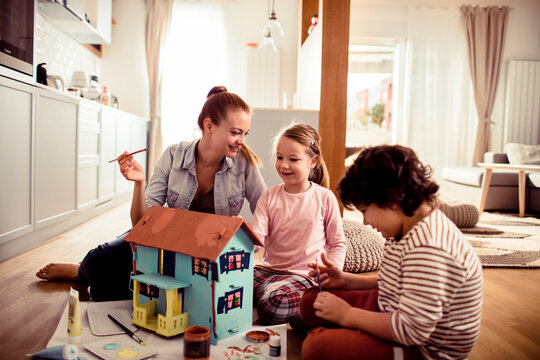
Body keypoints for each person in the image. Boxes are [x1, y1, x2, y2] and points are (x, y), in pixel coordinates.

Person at [36, 86, 267, 301]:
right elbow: (140, 223)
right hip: (165, 242)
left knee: (104, 290)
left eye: (245, 133)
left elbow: (266, 212)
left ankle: (85, 274)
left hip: (208, 254)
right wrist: (139, 183)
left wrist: (246, 239)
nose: (242, 141)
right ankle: (81, 271)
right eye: (236, 133)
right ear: (209, 126)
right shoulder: (174, 156)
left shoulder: (244, 164)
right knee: (99, 262)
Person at [298, 145, 483, 360]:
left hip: (422, 349)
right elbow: (392, 282)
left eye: (365, 211)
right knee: (311, 301)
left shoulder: (429, 248)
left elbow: (410, 330)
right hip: (394, 309)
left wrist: (347, 316)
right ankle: (342, 331)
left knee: (316, 348)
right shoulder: (405, 225)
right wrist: (345, 280)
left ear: (393, 198)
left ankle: (338, 333)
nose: (365, 221)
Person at [250, 123, 346, 325]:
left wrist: (332, 275)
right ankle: (263, 297)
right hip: (267, 271)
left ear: (313, 162)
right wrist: (241, 235)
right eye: (279, 157)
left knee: (275, 303)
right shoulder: (268, 197)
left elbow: (337, 244)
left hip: (303, 277)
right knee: (223, 285)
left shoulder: (325, 197)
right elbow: (257, 239)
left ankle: (263, 301)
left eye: (293, 159)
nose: (284, 165)